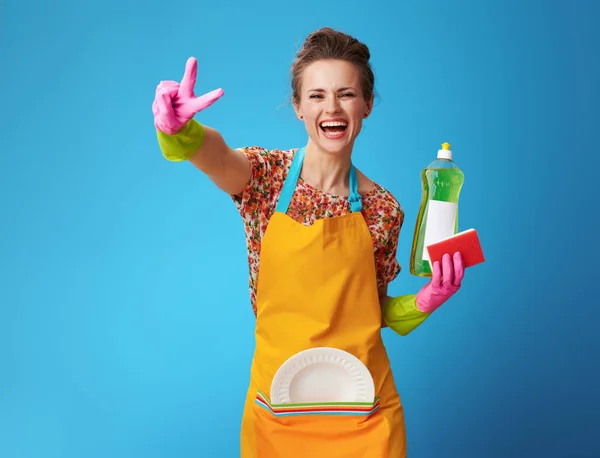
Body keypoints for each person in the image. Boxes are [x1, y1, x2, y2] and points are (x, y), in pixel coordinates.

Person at [152, 27, 465, 458]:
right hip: (277, 414)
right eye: (316, 95)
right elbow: (219, 157)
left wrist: (428, 298)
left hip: (365, 416)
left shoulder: (384, 210)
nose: (331, 108)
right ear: (298, 107)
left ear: (367, 105)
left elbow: (376, 310)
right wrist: (181, 132)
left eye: (346, 94)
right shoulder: (267, 177)